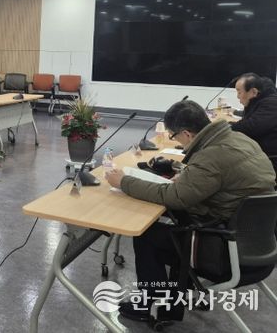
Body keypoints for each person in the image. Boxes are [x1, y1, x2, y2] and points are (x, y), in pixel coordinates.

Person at [105, 100, 275, 323]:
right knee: (173, 224)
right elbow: (223, 178)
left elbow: (175, 197)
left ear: (186, 133)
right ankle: (178, 292)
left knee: (147, 235)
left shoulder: (211, 156)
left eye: (174, 136)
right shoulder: (240, 139)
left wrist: (124, 182)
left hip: (225, 253)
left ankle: (153, 303)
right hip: (260, 244)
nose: (175, 140)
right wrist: (187, 175)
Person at [230, 73, 277, 177]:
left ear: (254, 92)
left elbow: (250, 127)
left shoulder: (272, 103)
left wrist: (225, 127)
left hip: (270, 161)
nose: (237, 96)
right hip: (258, 155)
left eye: (239, 92)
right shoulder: (259, 101)